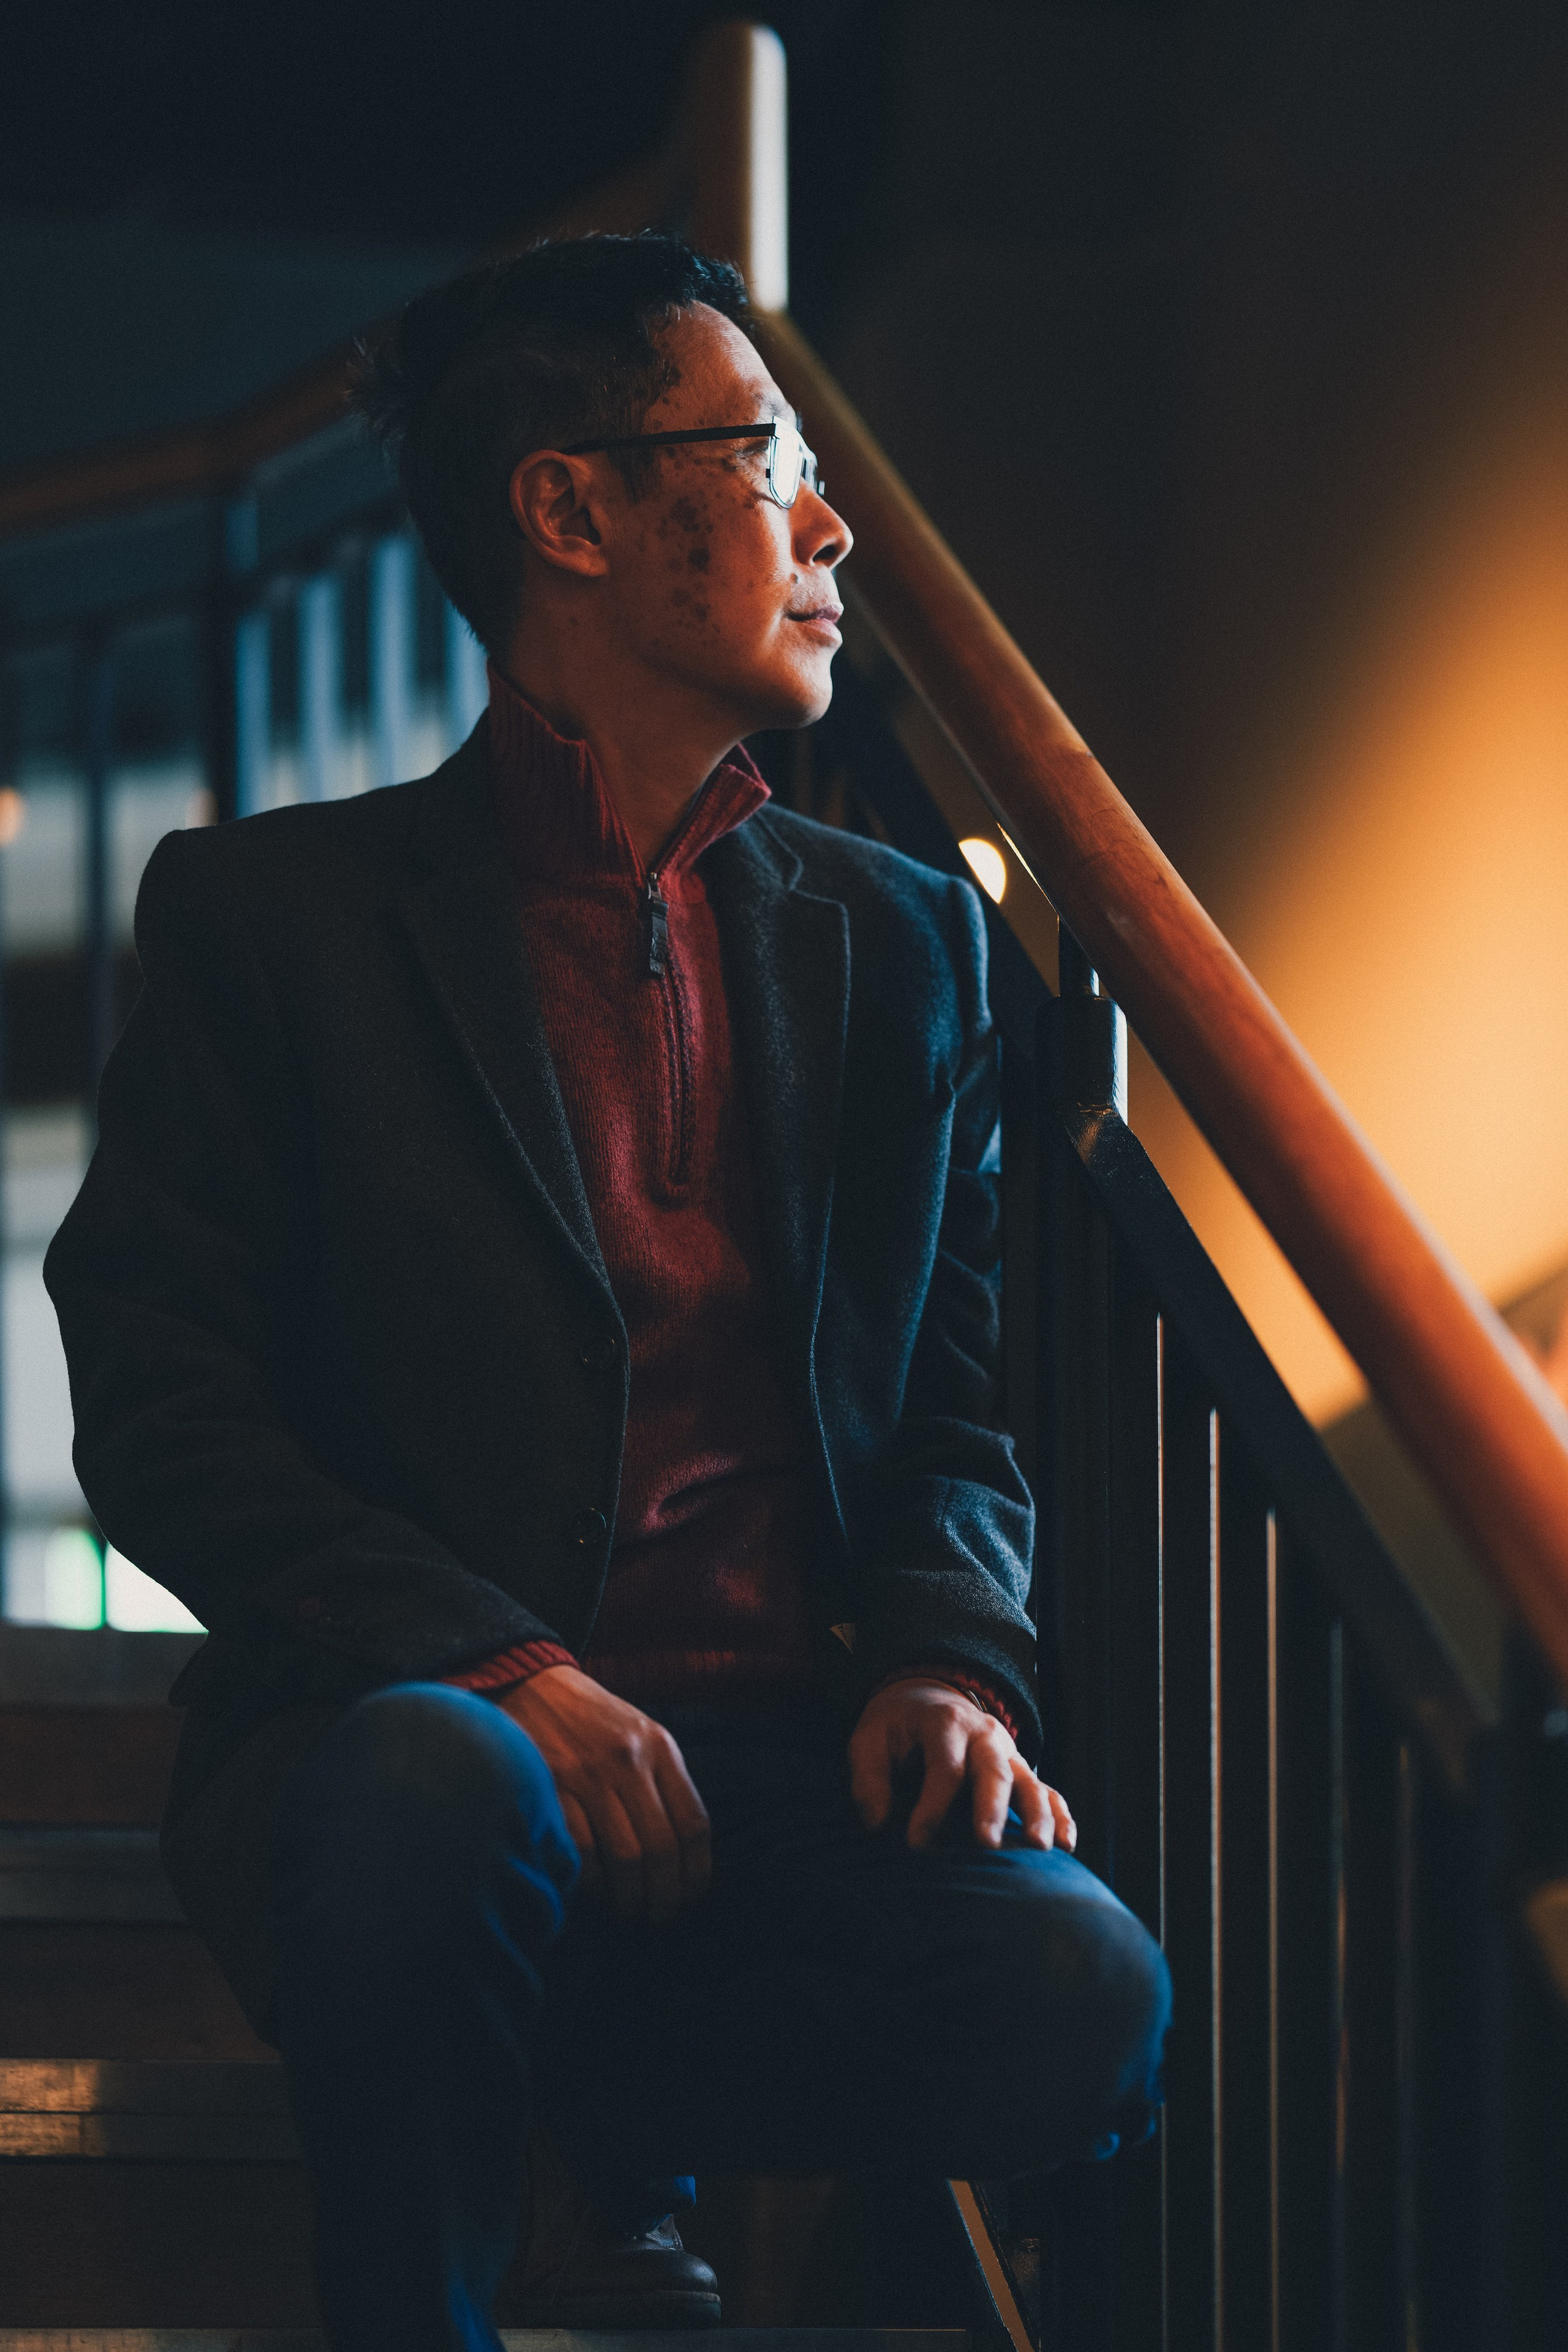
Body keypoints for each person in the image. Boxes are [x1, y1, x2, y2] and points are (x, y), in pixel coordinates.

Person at [44, 234, 1169, 2352]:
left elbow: (952, 1411)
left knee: (1081, 1988)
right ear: (568, 511)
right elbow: (166, 1406)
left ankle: (588, 2126)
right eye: (770, 462)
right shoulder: (272, 919)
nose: (833, 527)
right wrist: (497, 1662)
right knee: (436, 1792)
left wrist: (950, 1665)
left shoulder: (900, 941)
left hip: (764, 1781)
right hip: (403, 1767)